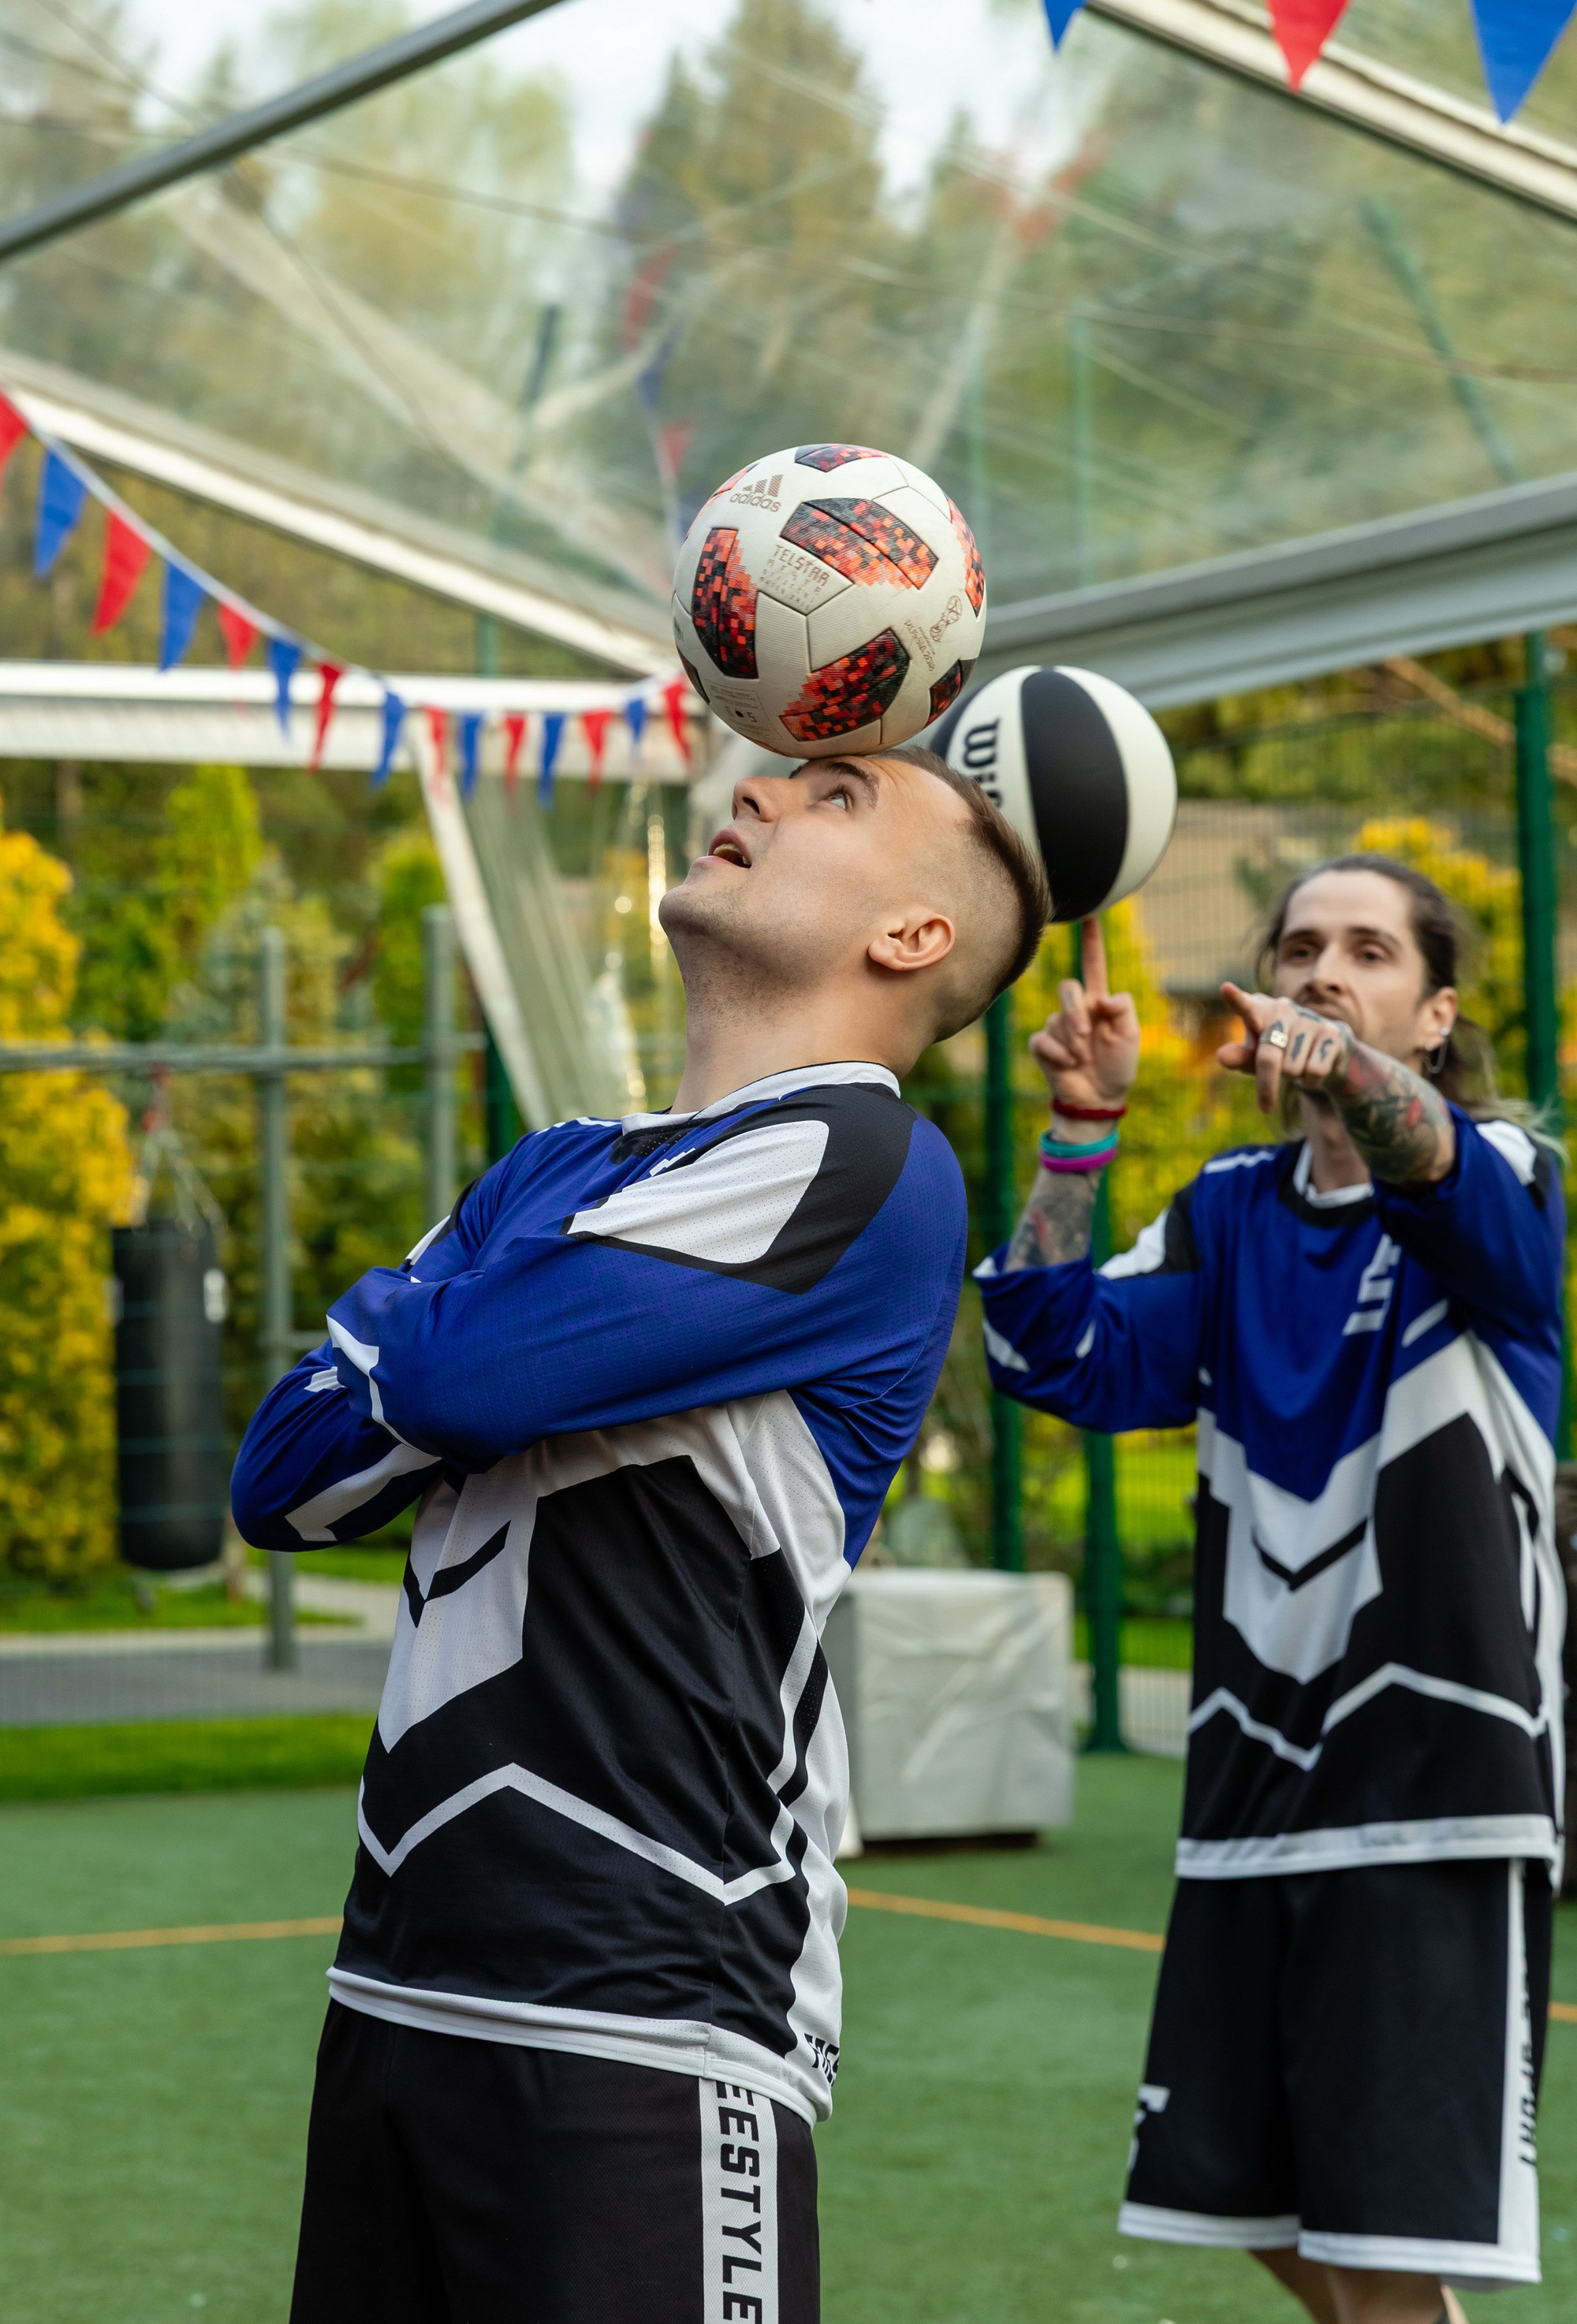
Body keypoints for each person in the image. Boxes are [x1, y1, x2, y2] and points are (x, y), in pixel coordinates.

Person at [232, 745, 1049, 2324]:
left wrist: (447, 1314)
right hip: (396, 1983)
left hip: (650, 2003)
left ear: (911, 940)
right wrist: (480, 1337)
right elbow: (283, 1477)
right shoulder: (558, 1166)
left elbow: (447, 1373)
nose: (753, 791)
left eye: (834, 800)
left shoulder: (867, 1166)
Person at [978, 855, 1565, 2324]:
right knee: (1245, 2202)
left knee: (1378, 2253)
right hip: (1251, 1791)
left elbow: (1421, 1151)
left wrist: (1358, 1075)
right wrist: (1082, 1128)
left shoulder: (1504, 1177)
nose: (1321, 968)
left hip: (1435, 1785)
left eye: (1368, 951)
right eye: (1300, 945)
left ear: (1432, 1016)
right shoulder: (1227, 1212)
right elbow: (1045, 1353)